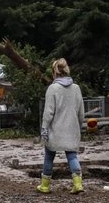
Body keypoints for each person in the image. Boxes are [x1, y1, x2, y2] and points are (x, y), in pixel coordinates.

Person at [36, 58, 85, 194]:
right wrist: (78, 126)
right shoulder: (76, 88)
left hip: (55, 131)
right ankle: (78, 184)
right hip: (71, 130)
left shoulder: (53, 88)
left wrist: (44, 129)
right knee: (72, 156)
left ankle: (45, 186)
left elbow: (48, 113)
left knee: (49, 156)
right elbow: (81, 112)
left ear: (54, 73)